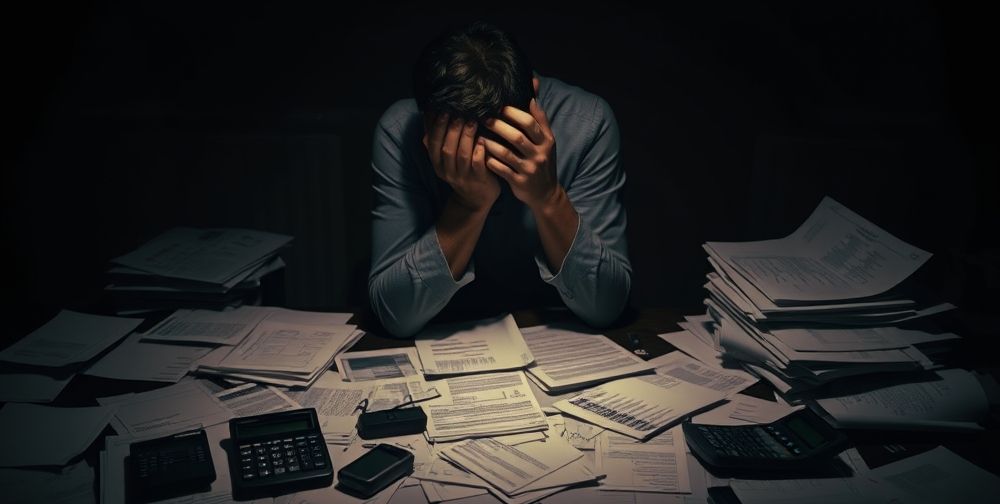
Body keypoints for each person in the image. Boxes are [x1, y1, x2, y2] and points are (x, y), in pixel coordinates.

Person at [368, 21, 631, 338]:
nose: (476, 159)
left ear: (533, 96)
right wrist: (467, 205)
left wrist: (548, 198)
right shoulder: (399, 131)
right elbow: (395, 314)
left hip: (559, 336)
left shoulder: (588, 122)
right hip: (443, 337)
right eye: (458, 142)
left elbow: (605, 307)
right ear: (425, 119)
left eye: (495, 138)